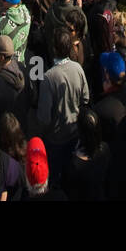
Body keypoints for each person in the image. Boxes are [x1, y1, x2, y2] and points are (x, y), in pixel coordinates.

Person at [37, 25, 90, 183]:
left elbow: (44, 117)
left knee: (55, 177)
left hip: (55, 138)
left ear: (54, 48)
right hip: (75, 133)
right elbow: (85, 98)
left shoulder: (49, 77)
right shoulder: (78, 68)